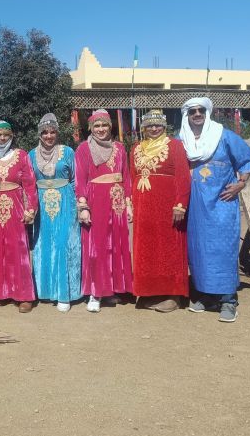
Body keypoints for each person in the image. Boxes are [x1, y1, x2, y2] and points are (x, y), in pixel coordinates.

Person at [180, 97, 250, 323]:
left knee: (222, 249)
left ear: (207, 113)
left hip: (221, 202)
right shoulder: (182, 140)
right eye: (192, 111)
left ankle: (228, 300)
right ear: (187, 115)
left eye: (200, 110)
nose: (197, 114)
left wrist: (241, 183)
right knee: (199, 250)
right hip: (195, 206)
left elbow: (246, 159)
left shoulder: (223, 135)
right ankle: (206, 297)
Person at [130, 110, 190, 313]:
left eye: (157, 125)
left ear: (164, 127)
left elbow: (183, 177)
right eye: (149, 125)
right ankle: (150, 292)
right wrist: (131, 204)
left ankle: (173, 294)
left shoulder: (174, 146)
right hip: (143, 207)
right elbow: (132, 177)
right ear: (143, 128)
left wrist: (180, 204)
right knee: (147, 249)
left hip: (167, 207)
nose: (154, 129)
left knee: (168, 247)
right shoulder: (136, 148)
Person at [75, 109, 133, 312]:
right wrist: (83, 207)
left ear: (110, 126)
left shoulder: (119, 148)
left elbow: (126, 176)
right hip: (95, 200)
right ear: (91, 128)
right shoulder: (83, 149)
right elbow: (80, 178)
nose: (101, 129)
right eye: (97, 126)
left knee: (116, 245)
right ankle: (95, 292)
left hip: (116, 203)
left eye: (104, 125)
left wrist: (128, 203)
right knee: (97, 247)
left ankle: (113, 289)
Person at [29, 114, 82, 312]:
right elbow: (28, 182)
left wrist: (79, 205)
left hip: (66, 202)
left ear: (57, 133)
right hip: (41, 204)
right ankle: (45, 291)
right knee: (43, 245)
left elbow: (76, 179)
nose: (49, 136)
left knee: (63, 244)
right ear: (39, 134)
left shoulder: (68, 152)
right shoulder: (31, 155)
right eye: (44, 132)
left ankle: (64, 293)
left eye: (52, 132)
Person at [0, 121, 38, 313]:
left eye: (6, 134)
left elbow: (30, 183)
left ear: (11, 136)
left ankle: (23, 295)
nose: (2, 138)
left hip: (15, 207)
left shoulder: (21, 155)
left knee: (18, 250)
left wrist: (30, 208)